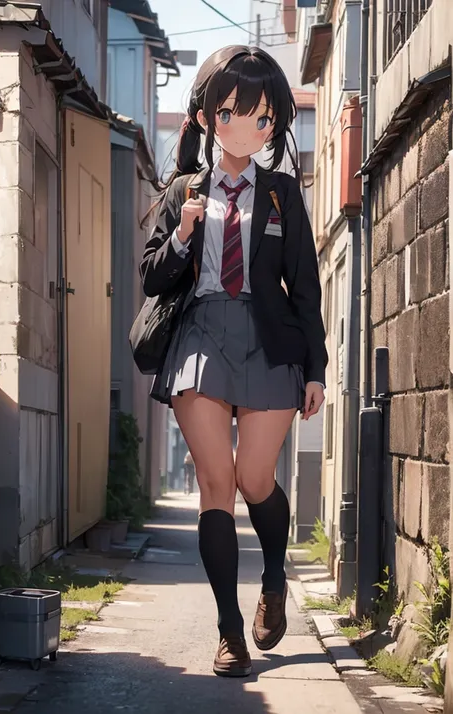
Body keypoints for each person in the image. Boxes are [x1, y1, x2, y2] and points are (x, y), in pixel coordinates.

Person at [140, 45, 327, 678]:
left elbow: (304, 287)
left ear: (273, 125)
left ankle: (274, 579)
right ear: (204, 116)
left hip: (271, 341)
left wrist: (318, 369)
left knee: (254, 479)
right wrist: (184, 233)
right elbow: (150, 277)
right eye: (230, 113)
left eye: (262, 118)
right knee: (216, 484)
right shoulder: (182, 192)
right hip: (199, 337)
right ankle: (228, 633)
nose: (246, 127)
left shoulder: (280, 196)